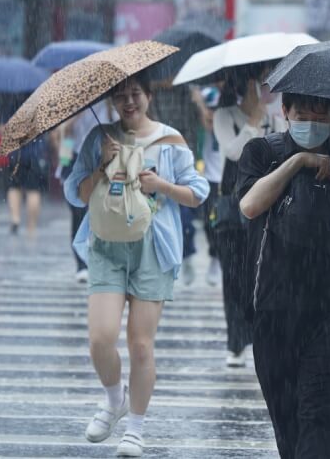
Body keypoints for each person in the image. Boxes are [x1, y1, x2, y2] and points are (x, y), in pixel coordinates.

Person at [63, 72, 209, 457]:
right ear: (112, 101)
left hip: (153, 249)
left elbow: (197, 193)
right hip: (107, 247)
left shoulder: (169, 140)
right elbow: (75, 194)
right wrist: (101, 166)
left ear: (148, 96)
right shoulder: (99, 138)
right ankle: (114, 398)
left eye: (136, 94)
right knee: (100, 339)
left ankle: (136, 428)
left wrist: (160, 185)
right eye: (121, 96)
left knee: (141, 346)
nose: (129, 102)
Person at [237, 93, 330, 458]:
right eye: (303, 111)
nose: (312, 120)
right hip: (274, 313)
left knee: (316, 415)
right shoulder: (261, 152)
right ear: (285, 111)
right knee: (287, 427)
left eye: (321, 111)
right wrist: (299, 161)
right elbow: (250, 205)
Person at [212, 63, 286, 368]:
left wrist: (266, 122)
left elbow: (283, 155)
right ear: (248, 86)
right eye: (260, 83)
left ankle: (261, 336)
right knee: (234, 278)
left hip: (264, 209)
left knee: (263, 277)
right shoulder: (225, 115)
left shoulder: (275, 119)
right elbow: (232, 152)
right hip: (231, 209)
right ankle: (236, 342)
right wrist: (253, 124)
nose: (265, 90)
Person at [54, 100, 118, 283]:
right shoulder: (75, 105)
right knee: (78, 213)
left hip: (102, 160)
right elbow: (64, 135)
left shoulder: (110, 104)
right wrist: (63, 164)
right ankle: (81, 265)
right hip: (77, 161)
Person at [192, 85, 224, 286]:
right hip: (210, 173)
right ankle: (215, 254)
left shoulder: (240, 96)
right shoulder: (207, 94)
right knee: (209, 220)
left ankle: (221, 257)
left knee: (227, 220)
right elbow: (206, 123)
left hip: (232, 172)